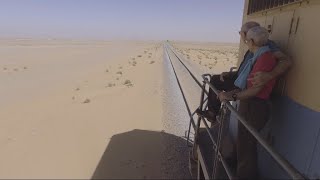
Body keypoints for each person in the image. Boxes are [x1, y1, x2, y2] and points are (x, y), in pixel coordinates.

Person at [196, 21, 292, 123]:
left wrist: (269, 75)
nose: (240, 36)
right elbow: (245, 68)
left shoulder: (265, 46)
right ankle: (212, 112)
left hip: (248, 86)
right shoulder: (252, 46)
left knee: (217, 82)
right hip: (241, 78)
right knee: (216, 79)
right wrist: (231, 74)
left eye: (240, 33)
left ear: (248, 34)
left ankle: (212, 112)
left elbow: (286, 61)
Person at [218, 26, 277, 179]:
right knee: (244, 141)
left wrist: (232, 97)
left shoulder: (264, 58)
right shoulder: (257, 55)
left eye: (246, 39)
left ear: (251, 41)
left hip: (255, 105)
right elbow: (246, 85)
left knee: (247, 146)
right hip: (250, 104)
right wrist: (229, 94)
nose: (245, 42)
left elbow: (255, 90)